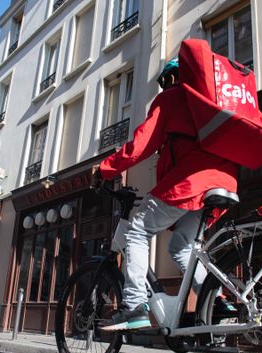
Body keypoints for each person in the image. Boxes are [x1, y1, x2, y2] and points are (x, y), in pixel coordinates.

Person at [95, 41, 238, 331]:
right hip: (222, 181)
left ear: (174, 78)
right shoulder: (207, 104)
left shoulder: (172, 99)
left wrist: (105, 168)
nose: (162, 89)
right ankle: (217, 301)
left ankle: (133, 305)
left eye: (164, 82)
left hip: (192, 182)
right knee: (181, 247)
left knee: (136, 232)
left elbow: (141, 146)